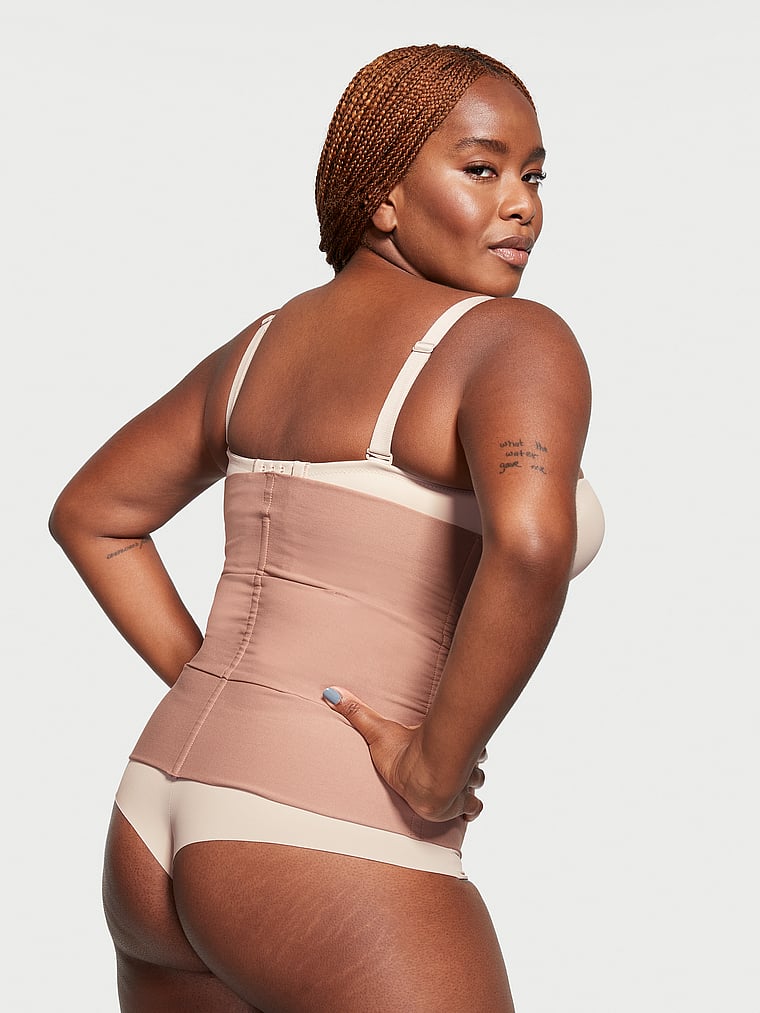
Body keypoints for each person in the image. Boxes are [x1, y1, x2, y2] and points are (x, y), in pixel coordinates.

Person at [50, 43, 604, 1012]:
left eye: (534, 175)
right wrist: (433, 769)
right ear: (383, 195)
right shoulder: (513, 341)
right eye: (482, 169)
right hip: (324, 830)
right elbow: (529, 546)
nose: (522, 205)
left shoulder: (260, 346)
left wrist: (219, 686)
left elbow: (94, 516)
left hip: (154, 820)